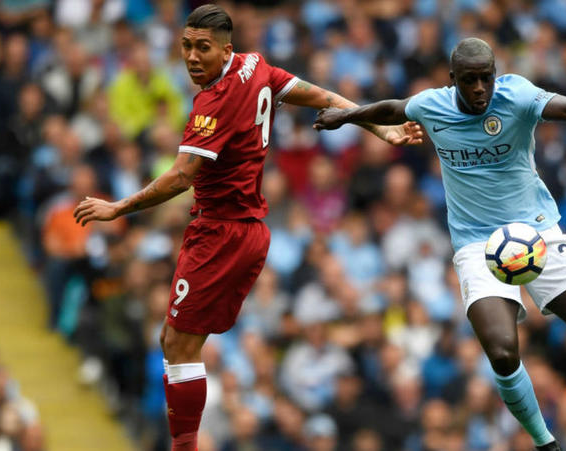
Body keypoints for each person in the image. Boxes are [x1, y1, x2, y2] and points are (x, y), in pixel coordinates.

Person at [72, 5, 423, 451]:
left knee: (177, 347)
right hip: (251, 229)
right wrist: (383, 131)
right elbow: (323, 97)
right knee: (172, 339)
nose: (192, 57)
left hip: (220, 234)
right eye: (186, 46)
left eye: (203, 48)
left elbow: (182, 176)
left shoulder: (212, 103)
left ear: (226, 49)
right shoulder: (255, 66)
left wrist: (118, 208)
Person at [314, 37, 566, 451]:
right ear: (453, 80)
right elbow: (392, 107)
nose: (480, 88)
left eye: (486, 78)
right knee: (501, 353)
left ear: (495, 75)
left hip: (537, 232)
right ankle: (545, 443)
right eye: (469, 81)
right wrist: (348, 116)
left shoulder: (517, 95)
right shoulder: (433, 105)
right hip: (477, 245)